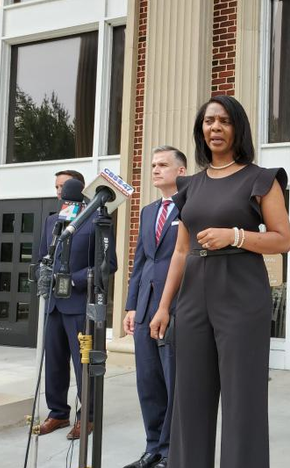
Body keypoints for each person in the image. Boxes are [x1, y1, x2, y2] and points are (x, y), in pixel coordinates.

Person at [150, 95, 290, 468]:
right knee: (190, 398)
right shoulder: (190, 186)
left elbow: (282, 239)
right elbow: (181, 251)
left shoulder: (260, 179)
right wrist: (165, 306)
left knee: (242, 400)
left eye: (224, 121)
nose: (215, 128)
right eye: (209, 121)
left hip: (241, 292)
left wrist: (236, 236)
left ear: (237, 128)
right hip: (194, 295)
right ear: (201, 129)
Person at [38, 170, 118, 439]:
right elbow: (42, 257)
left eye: (65, 186)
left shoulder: (97, 220)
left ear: (79, 189)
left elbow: (109, 265)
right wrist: (43, 274)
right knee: (54, 364)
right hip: (53, 306)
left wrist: (73, 281)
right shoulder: (50, 221)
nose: (60, 191)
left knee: (83, 364)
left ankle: (88, 417)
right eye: (57, 186)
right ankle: (58, 413)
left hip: (80, 305)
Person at [122, 146, 187, 468]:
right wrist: (131, 306)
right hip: (146, 308)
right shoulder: (148, 211)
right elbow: (140, 261)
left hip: (176, 307)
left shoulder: (192, 208)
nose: (156, 170)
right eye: (153, 165)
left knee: (173, 381)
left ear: (181, 171)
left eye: (163, 165)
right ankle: (152, 447)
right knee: (148, 381)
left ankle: (171, 451)